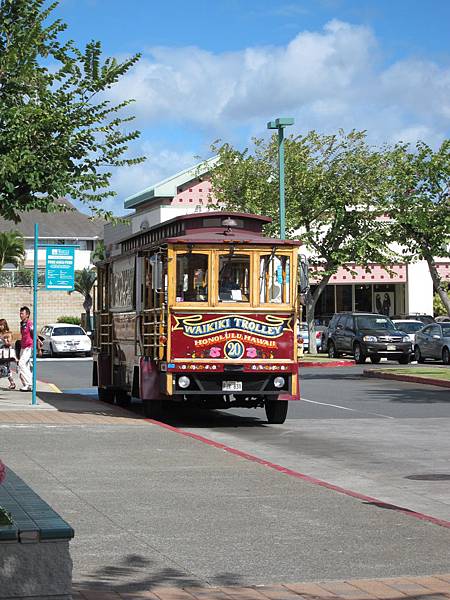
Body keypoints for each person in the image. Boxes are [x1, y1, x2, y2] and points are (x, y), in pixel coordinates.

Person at [18, 306, 34, 392]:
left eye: (22, 313)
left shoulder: (29, 323)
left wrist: (36, 346)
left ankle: (30, 383)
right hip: (23, 347)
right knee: (25, 366)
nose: (20, 315)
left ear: (27, 315)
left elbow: (34, 333)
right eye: (20, 313)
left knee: (21, 364)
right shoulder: (22, 324)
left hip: (29, 346)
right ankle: (28, 385)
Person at [0, 319, 16, 389]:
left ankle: (12, 383)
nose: (0, 327)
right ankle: (12, 383)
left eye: (2, 325)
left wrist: (4, 340)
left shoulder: (8, 333)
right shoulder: (0, 333)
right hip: (0, 353)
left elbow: (9, 343)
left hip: (6, 353)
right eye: (0, 325)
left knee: (6, 368)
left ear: (5, 325)